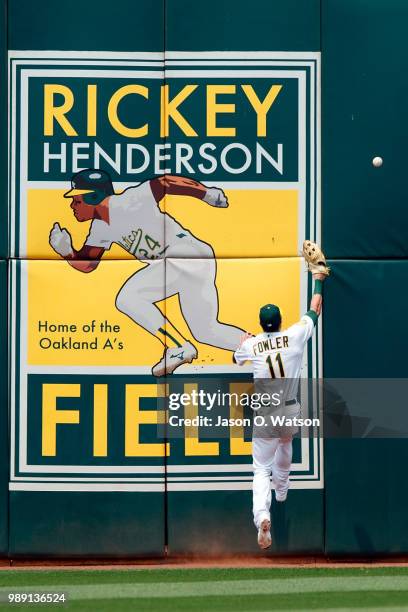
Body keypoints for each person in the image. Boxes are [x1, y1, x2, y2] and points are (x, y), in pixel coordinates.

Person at [49, 169, 245, 376]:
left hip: (186, 254)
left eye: (77, 200)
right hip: (192, 262)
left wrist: (206, 193)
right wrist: (68, 252)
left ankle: (178, 347)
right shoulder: (99, 228)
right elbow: (89, 265)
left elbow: (166, 182)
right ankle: (262, 347)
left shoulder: (130, 200)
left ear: (93, 196)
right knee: (207, 331)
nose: (72, 206)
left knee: (128, 297)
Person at [233, 241, 329, 549]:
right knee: (286, 442)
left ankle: (263, 516)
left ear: (262, 324)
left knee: (261, 468)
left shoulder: (253, 344)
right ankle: (283, 491)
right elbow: (314, 309)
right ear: (279, 320)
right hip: (289, 409)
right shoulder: (295, 334)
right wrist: (318, 278)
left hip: (265, 412)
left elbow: (237, 358)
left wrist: (245, 340)